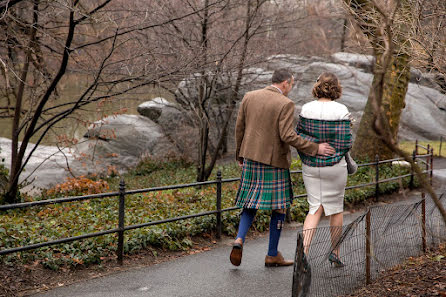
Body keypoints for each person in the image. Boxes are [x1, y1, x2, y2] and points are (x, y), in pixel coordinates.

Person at [230, 68, 336, 267]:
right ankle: (272, 254)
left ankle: (239, 238)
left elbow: (239, 128)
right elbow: (288, 136)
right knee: (279, 207)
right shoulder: (285, 104)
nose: (291, 88)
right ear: (286, 83)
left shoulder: (249, 97)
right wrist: (315, 148)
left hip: (251, 158)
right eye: (292, 84)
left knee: (250, 202)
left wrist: (240, 155)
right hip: (274, 162)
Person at [296, 72, 352, 267]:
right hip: (335, 167)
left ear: (317, 86)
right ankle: (335, 253)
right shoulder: (341, 110)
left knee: (314, 208)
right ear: (336, 87)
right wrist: (333, 156)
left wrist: (315, 152)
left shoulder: (306, 108)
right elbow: (346, 142)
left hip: (311, 165)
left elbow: (299, 136)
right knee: (336, 209)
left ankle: (303, 253)